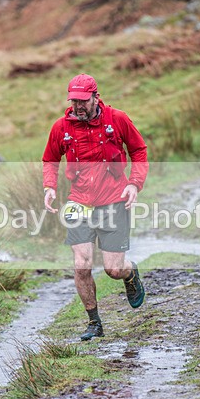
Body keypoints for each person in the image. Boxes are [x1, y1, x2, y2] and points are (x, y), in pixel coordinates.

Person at [42, 73, 149, 341]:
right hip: (79, 202)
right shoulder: (61, 127)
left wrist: (134, 184)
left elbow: (139, 151)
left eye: (83, 101)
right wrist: (49, 187)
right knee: (81, 264)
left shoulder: (117, 119)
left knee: (113, 269)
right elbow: (50, 159)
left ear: (95, 97)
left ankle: (130, 272)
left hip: (114, 199)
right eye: (73, 101)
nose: (78, 106)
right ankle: (94, 323)